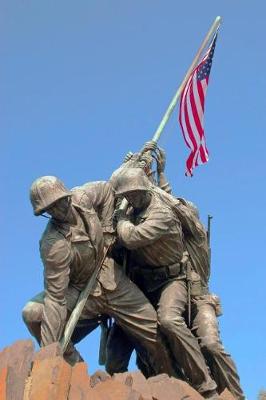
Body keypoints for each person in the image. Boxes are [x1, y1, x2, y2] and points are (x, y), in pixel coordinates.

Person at [22, 176, 174, 374]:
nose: (60, 208)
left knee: (153, 330)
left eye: (61, 200)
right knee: (32, 314)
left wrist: (108, 227)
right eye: (52, 207)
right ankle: (76, 370)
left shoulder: (84, 197)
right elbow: (56, 298)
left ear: (67, 195)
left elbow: (106, 190)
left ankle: (173, 379)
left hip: (112, 279)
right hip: (80, 292)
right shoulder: (53, 244)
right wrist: (49, 353)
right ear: (46, 212)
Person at [111, 168, 219, 399]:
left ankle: (205, 385)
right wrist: (131, 163)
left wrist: (120, 218)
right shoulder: (134, 210)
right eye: (128, 195)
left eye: (137, 193)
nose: (133, 199)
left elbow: (131, 238)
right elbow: (111, 186)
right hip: (143, 282)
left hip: (173, 280)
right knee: (129, 337)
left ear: (146, 189)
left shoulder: (161, 213)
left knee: (169, 320)